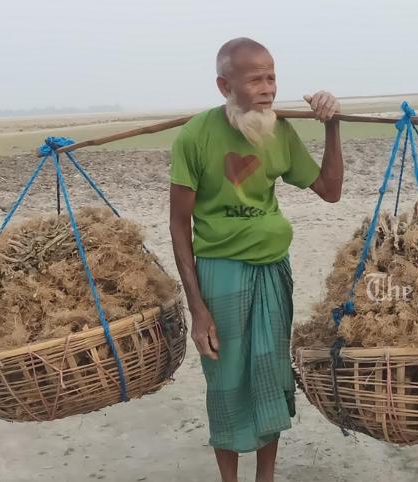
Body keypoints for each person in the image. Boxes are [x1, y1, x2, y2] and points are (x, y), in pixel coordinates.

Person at [169, 37, 344, 482]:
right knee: (225, 381)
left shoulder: (278, 130)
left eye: (272, 77)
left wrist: (332, 125)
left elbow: (330, 190)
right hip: (220, 274)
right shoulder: (195, 136)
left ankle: (264, 477)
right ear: (224, 84)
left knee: (269, 374)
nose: (268, 88)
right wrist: (198, 309)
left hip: (273, 271)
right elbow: (178, 226)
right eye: (255, 79)